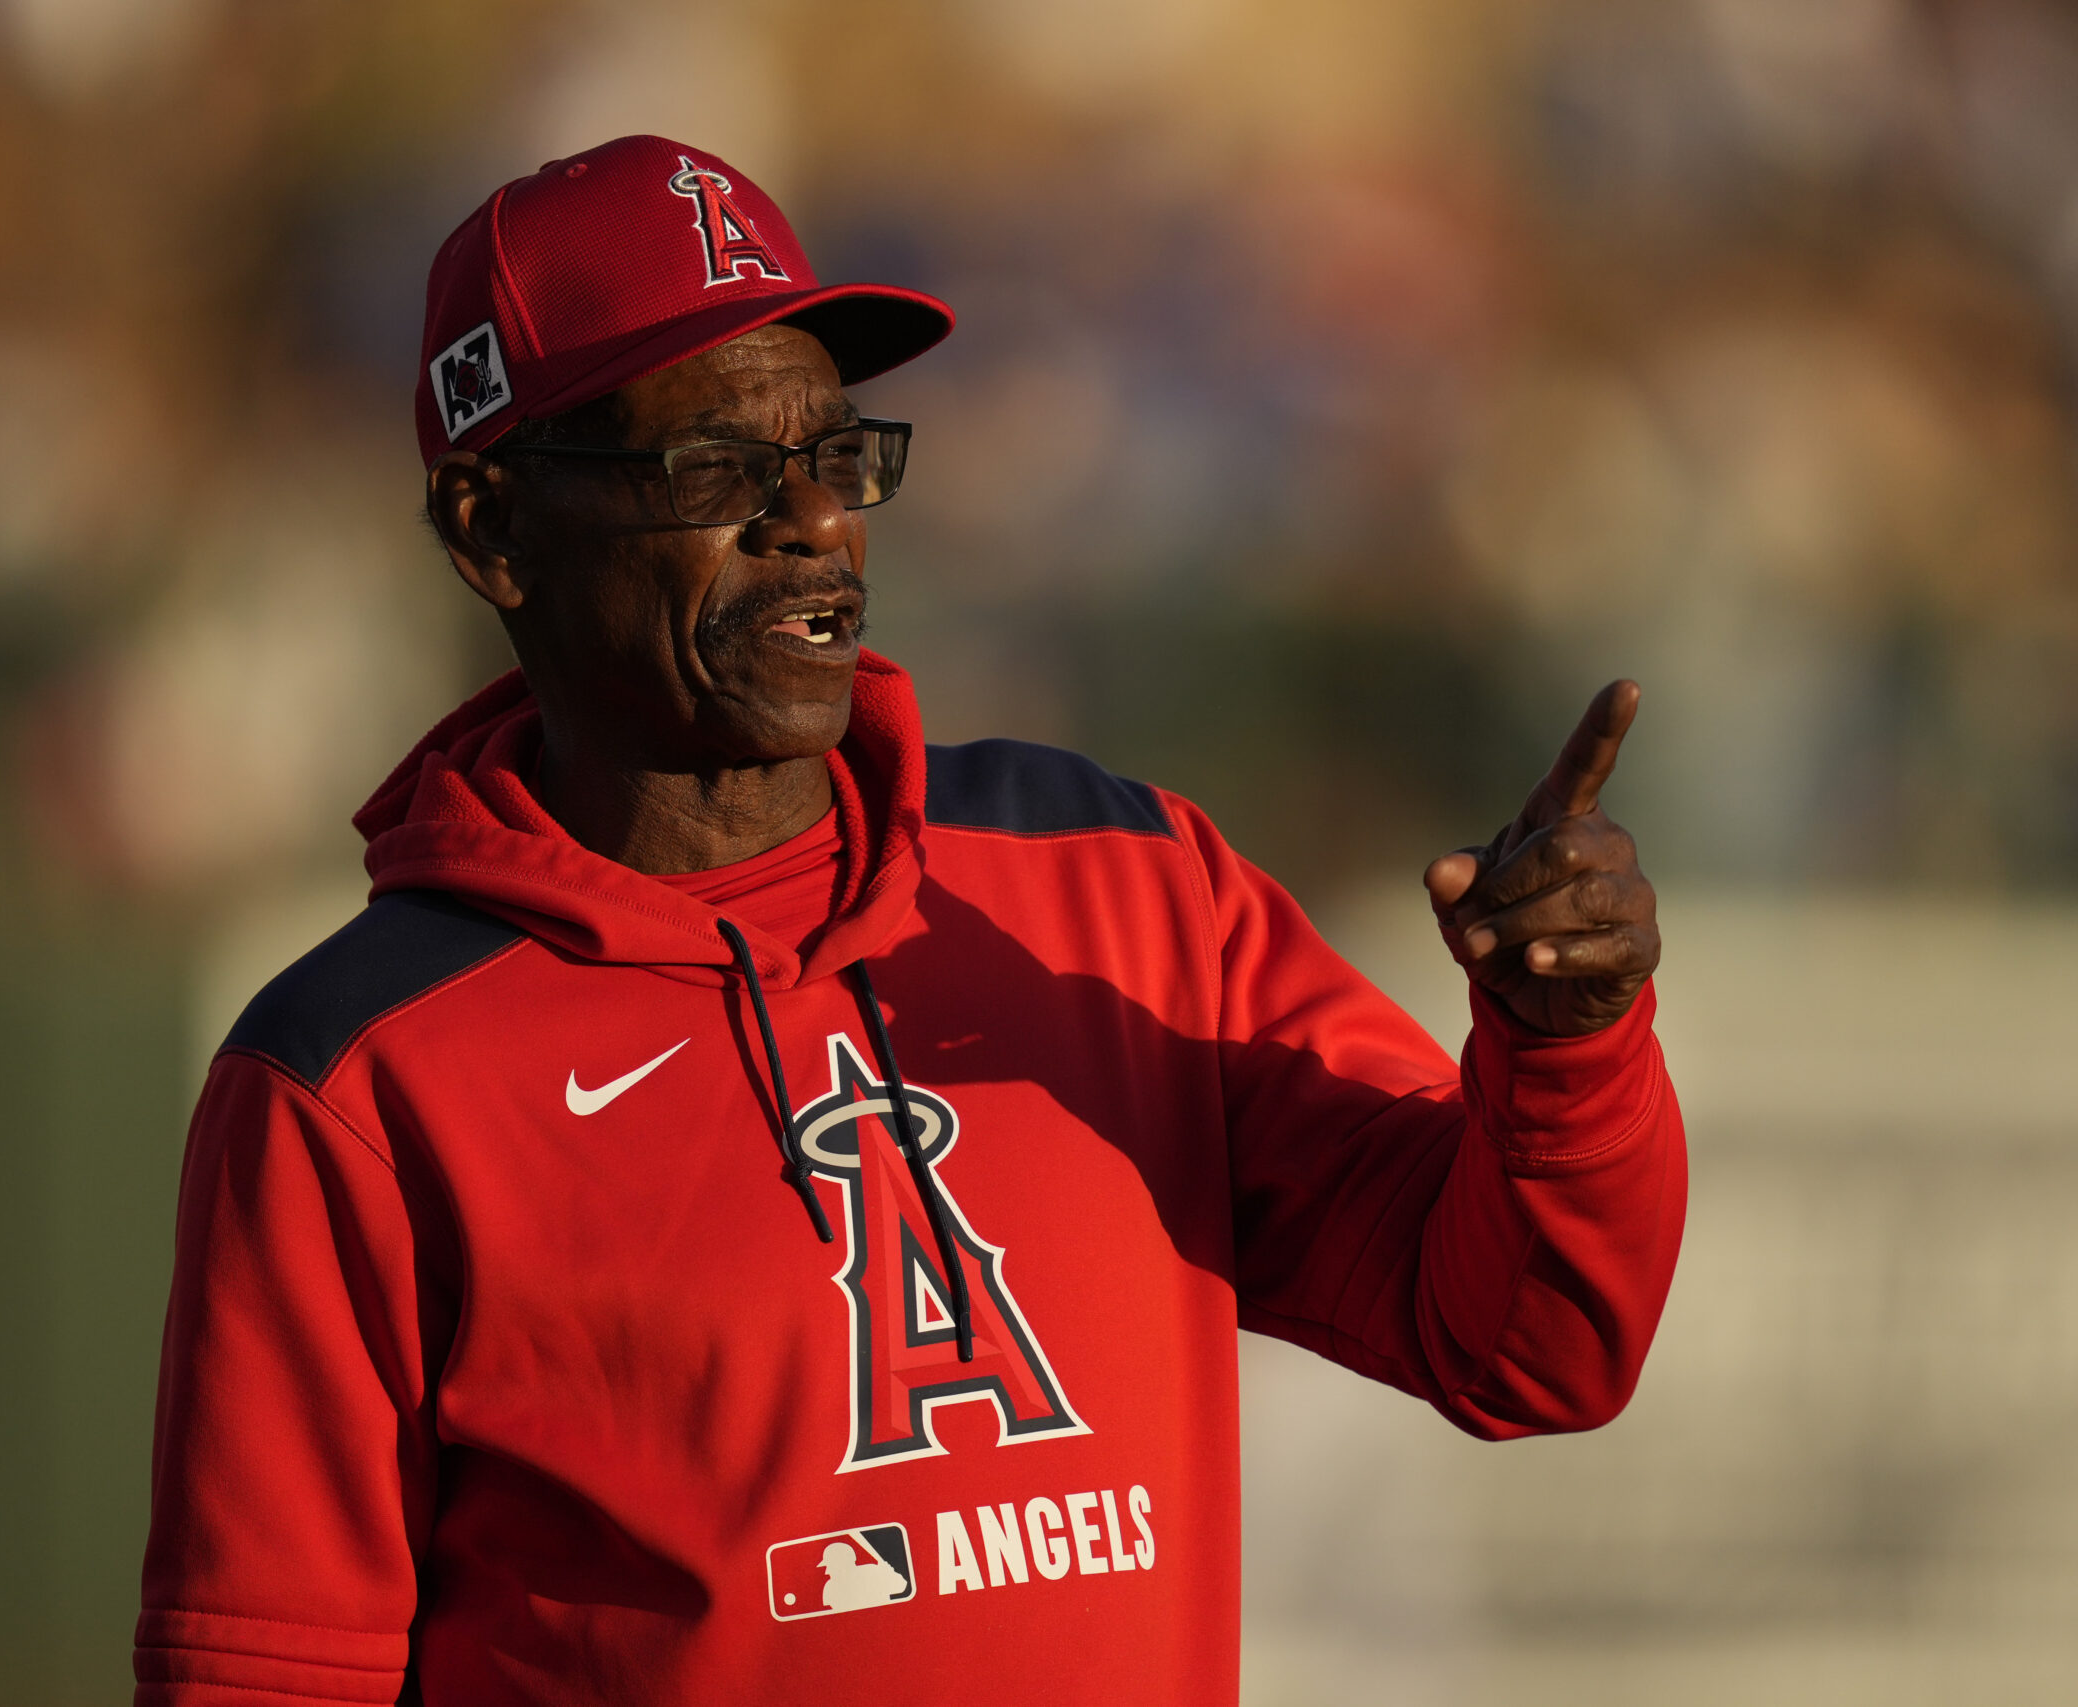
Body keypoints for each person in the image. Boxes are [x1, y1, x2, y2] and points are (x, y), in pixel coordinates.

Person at [134, 135, 1685, 1706]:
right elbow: (266, 1675)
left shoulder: (1117, 875)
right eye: (719, 470)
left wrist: (1565, 1050)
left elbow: (1524, 1344)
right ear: (492, 529)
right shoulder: (353, 1075)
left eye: (836, 455)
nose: (812, 520)